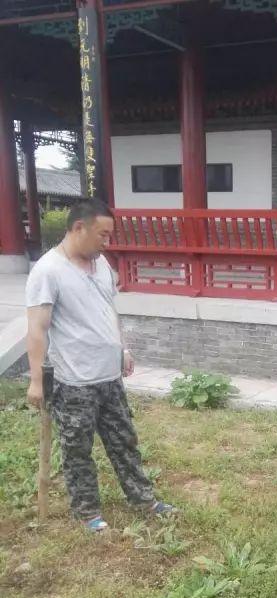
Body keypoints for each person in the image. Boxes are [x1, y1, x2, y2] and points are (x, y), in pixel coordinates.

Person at [25, 197, 174, 532]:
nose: (107, 242)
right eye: (102, 235)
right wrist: (35, 380)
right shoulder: (48, 271)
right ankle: (87, 512)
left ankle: (144, 500)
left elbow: (109, 310)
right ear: (79, 228)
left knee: (125, 441)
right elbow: (37, 328)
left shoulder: (101, 263)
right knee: (78, 450)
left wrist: (123, 348)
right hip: (75, 382)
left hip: (109, 376)